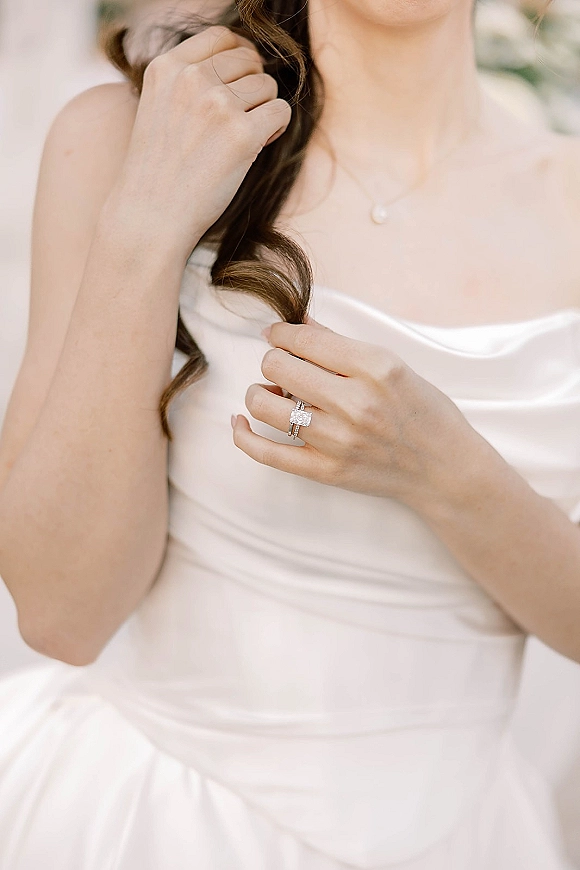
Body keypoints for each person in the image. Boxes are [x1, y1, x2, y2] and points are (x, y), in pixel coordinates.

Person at [0, 0, 579, 866]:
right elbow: (60, 614)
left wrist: (448, 473)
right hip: (154, 823)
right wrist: (146, 224)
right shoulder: (130, 135)